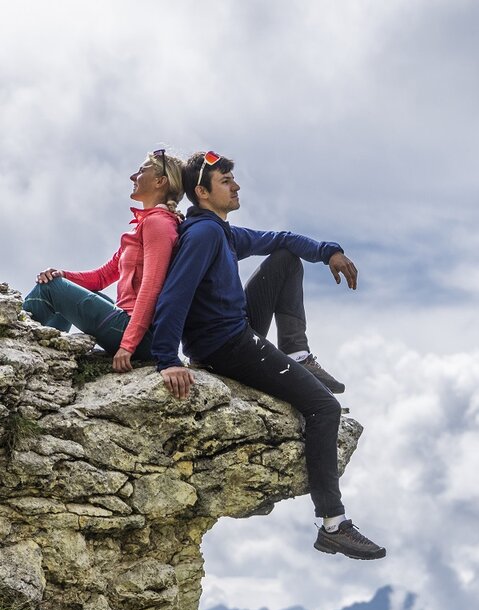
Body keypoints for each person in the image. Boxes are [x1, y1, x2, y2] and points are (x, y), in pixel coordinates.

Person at [150, 150, 385, 561]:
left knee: (285, 258)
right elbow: (174, 295)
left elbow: (281, 239)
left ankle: (298, 352)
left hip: (235, 329)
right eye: (226, 181)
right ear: (203, 192)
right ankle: (334, 524)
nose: (236, 186)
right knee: (324, 408)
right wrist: (167, 358)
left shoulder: (222, 232)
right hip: (225, 346)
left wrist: (329, 250)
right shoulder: (203, 235)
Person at [23, 151, 185, 371]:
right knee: (59, 286)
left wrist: (128, 345)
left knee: (50, 289)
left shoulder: (158, 224)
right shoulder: (146, 225)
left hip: (141, 337)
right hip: (133, 329)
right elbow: (102, 277)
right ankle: (38, 353)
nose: (133, 177)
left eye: (141, 171)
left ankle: (12, 336)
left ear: (160, 181)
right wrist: (62, 275)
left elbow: (152, 286)